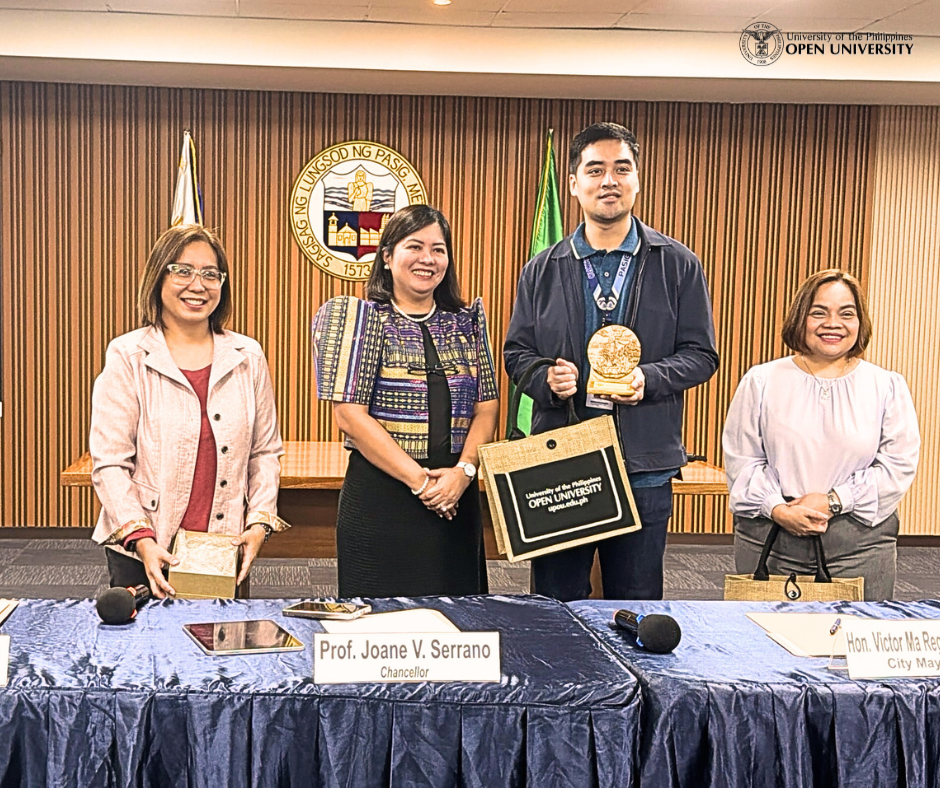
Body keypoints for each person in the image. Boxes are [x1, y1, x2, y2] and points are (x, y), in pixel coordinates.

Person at [504, 122, 719, 602]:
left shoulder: (677, 263)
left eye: (621, 169)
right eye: (595, 169)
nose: (609, 181)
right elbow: (516, 353)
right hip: (563, 462)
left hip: (642, 465)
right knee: (556, 604)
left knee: (636, 602)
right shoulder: (542, 267)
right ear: (576, 183)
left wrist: (650, 378)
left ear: (637, 180)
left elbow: (702, 356)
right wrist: (546, 378)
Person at [89, 225, 287, 598]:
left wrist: (259, 522)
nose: (198, 285)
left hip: (223, 549)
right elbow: (110, 463)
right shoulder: (128, 356)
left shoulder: (247, 356)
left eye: (211, 274)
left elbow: (265, 453)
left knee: (221, 652)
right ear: (158, 276)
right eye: (182, 270)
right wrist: (140, 537)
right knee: (146, 654)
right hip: (144, 547)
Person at [312, 204, 499, 598]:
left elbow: (487, 407)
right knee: (382, 629)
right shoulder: (359, 319)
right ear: (387, 256)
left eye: (439, 249)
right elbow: (349, 415)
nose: (428, 259)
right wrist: (422, 484)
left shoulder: (466, 321)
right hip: (384, 499)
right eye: (415, 246)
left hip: (456, 497)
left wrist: (462, 474)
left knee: (458, 627)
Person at [723, 270, 919, 601]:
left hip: (858, 546)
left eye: (847, 313)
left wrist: (832, 501)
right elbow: (742, 462)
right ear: (801, 317)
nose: (833, 323)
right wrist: (778, 508)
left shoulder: (886, 386)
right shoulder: (761, 380)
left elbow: (896, 467)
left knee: (850, 647)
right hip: (770, 538)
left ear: (860, 322)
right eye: (819, 312)